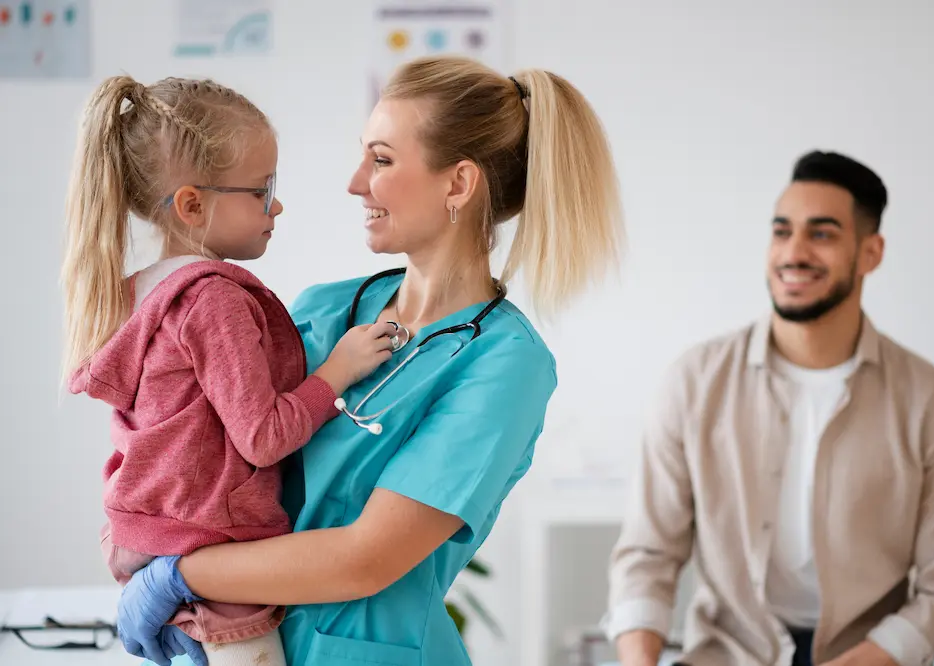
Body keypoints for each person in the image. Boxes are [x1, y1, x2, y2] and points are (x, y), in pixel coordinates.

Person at [112, 55, 626, 666]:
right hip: (232, 638)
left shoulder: (504, 366)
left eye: (381, 160)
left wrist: (174, 574)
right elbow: (198, 443)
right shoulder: (322, 311)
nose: (356, 183)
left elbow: (365, 559)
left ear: (458, 184)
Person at [62, 75, 395, 666]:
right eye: (263, 191)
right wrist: (339, 370)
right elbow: (263, 438)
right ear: (193, 204)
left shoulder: (141, 292)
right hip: (206, 542)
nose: (278, 206)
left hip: (143, 535)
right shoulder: (212, 300)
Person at [605, 151, 934, 666]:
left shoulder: (930, 404)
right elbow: (648, 555)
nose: (794, 252)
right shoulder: (693, 382)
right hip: (726, 652)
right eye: (782, 232)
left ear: (870, 253)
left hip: (869, 656)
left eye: (822, 234)